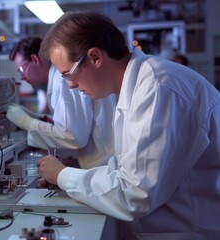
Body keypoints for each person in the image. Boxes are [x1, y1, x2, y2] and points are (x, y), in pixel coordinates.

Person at [37, 11, 220, 239]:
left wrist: (63, 176)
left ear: (95, 57)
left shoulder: (158, 88)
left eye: (68, 74)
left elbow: (135, 194)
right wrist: (75, 172)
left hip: (187, 231)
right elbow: (128, 168)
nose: (71, 85)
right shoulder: (135, 86)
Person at [7, 36, 117, 169]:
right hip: (101, 162)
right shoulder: (57, 79)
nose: (22, 77)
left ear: (35, 60)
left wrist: (26, 122)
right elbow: (77, 123)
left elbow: (72, 136)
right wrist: (41, 119)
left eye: (21, 70)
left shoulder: (62, 79)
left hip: (104, 166)